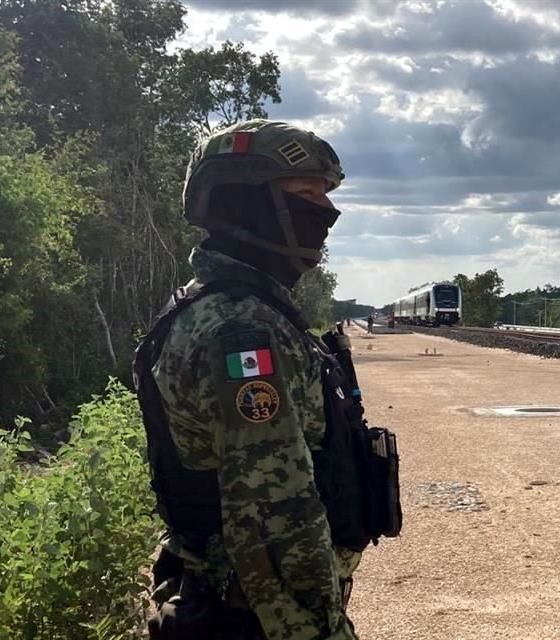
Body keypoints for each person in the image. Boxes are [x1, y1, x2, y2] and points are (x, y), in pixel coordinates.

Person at [133, 120, 400, 640]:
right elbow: (274, 520)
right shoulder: (241, 329)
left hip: (245, 613)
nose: (326, 213)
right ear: (244, 200)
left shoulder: (248, 311)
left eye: (325, 195)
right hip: (258, 619)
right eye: (305, 194)